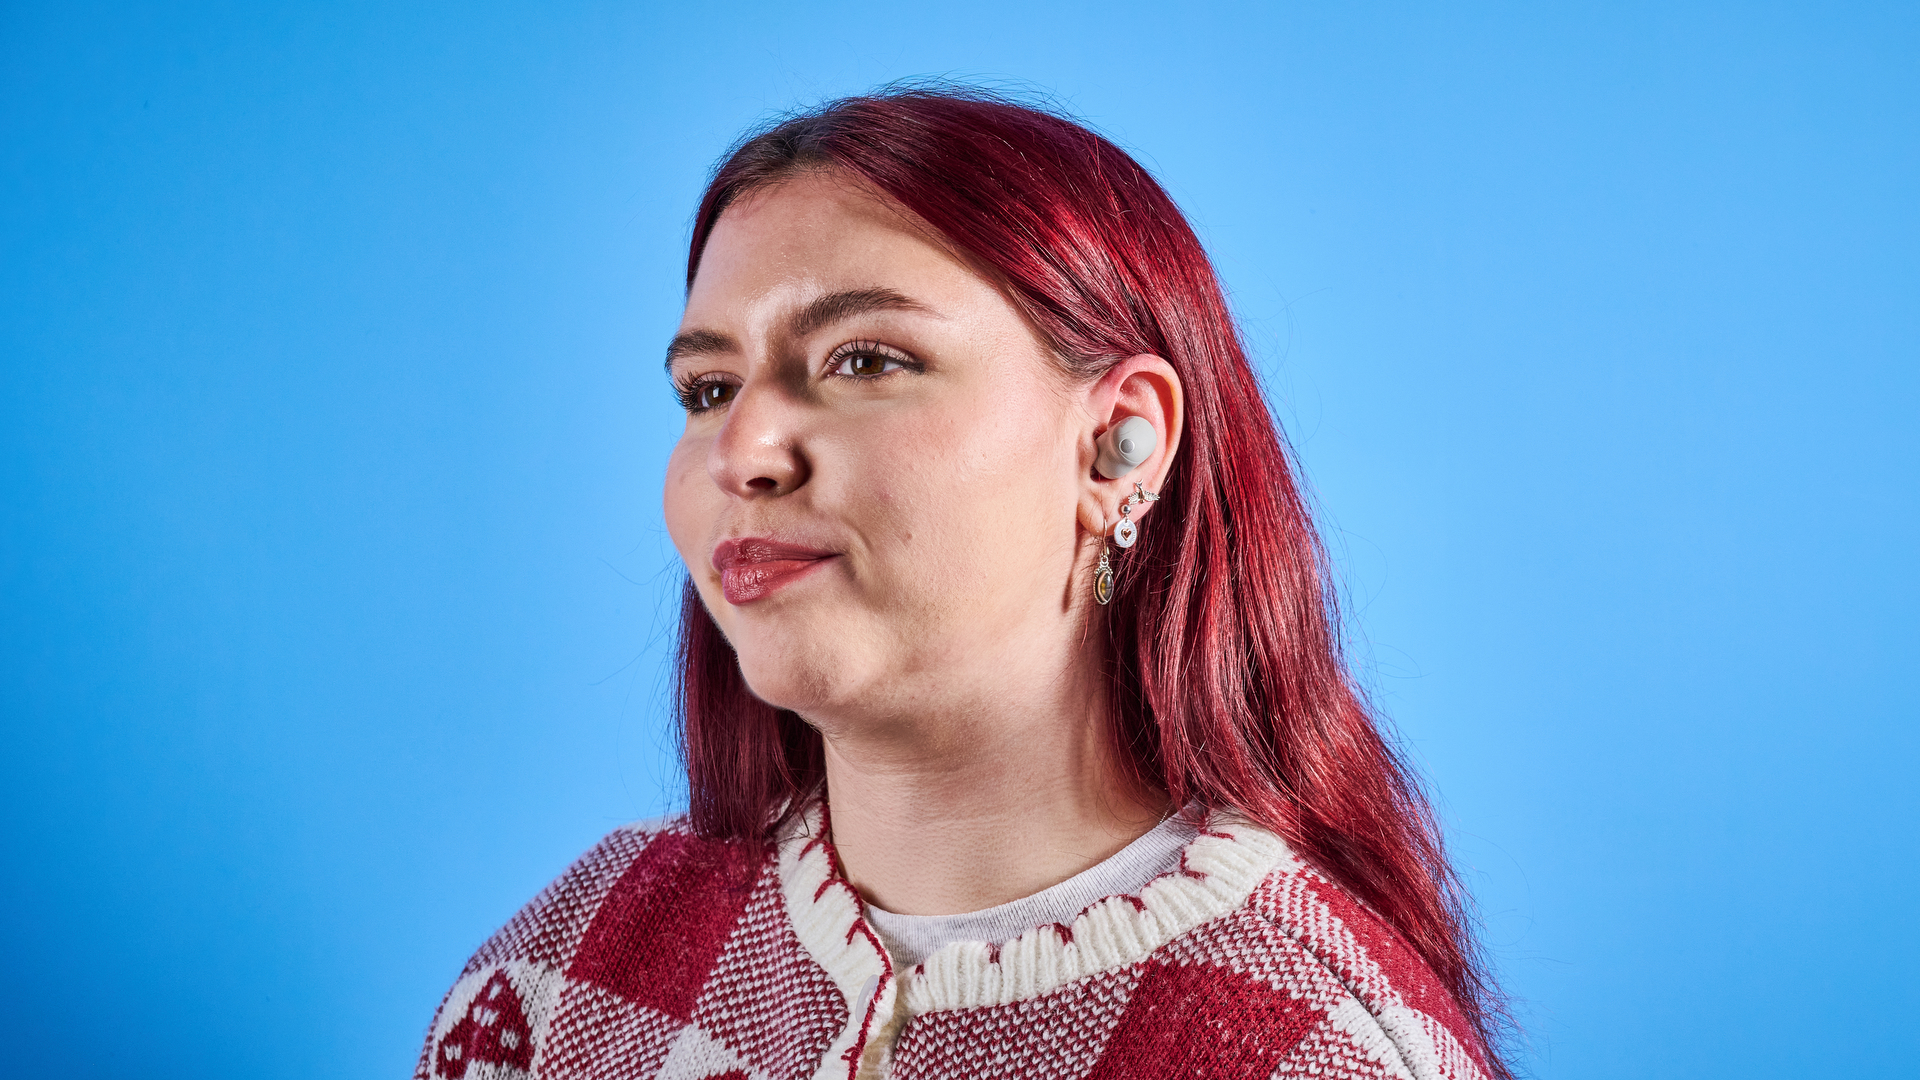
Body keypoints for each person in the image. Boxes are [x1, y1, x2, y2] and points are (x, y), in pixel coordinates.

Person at [416, 87, 1510, 1080]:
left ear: (1117, 443)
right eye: (706, 387)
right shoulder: (570, 968)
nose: (740, 451)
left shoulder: (1316, 1048)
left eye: (864, 360)